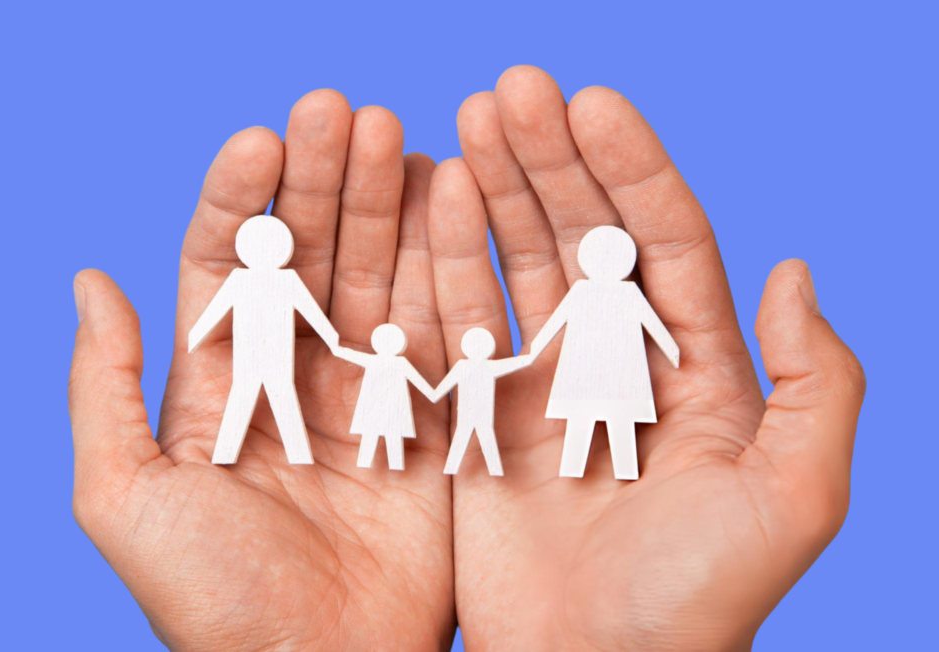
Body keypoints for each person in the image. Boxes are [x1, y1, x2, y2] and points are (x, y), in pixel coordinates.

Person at [68, 69, 865, 651]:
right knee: (261, 408)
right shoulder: (579, 306)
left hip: (599, 377)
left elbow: (604, 341)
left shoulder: (607, 299)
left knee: (606, 430)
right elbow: (520, 346)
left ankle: (597, 456)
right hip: (355, 371)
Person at [523, 225, 679, 480]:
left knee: (604, 422)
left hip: (601, 374)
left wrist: (535, 350)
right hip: (604, 374)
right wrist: (672, 350)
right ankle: (585, 469)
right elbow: (555, 322)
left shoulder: (619, 293)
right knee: (602, 421)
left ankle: (621, 471)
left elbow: (653, 325)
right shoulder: (592, 292)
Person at [187, 214, 340, 465]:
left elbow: (311, 310)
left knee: (279, 394)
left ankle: (298, 454)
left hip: (277, 353)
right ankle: (227, 453)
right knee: (248, 394)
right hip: (250, 354)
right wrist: (196, 335)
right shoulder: (241, 280)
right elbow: (217, 308)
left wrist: (331, 337)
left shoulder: (285, 280)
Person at [429, 327, 532, 476]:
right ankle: (491, 470)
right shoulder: (488, 366)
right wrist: (532, 355)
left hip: (471, 413)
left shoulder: (464, 366)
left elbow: (438, 392)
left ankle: (455, 468)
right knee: (480, 436)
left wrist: (429, 392)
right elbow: (520, 362)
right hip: (479, 413)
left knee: (467, 436)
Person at [335, 324, 435, 470]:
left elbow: (346, 353)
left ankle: (382, 463)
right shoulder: (396, 362)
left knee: (381, 436)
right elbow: (422, 384)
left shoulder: (378, 361)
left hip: (382, 409)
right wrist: (434, 394)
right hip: (385, 409)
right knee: (383, 436)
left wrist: (336, 348)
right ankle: (384, 464)